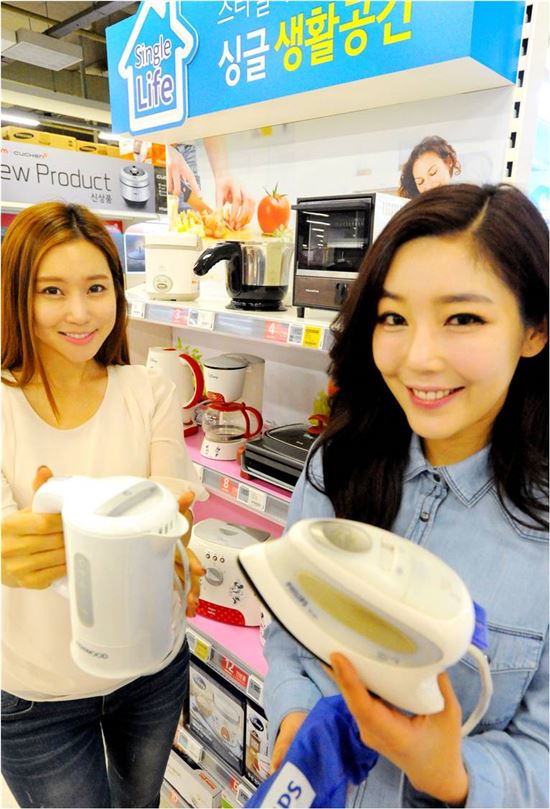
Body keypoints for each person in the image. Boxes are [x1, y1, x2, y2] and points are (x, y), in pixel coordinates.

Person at [263, 183, 548, 807]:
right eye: (393, 318)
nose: (418, 359)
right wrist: (294, 713)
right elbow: (287, 626)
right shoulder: (337, 464)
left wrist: (450, 773)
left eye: (463, 319)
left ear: (534, 330)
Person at [1, 201, 208, 808]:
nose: (79, 312)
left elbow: (175, 505)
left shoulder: (149, 391)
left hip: (151, 669)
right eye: (52, 290)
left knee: (141, 801)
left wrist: (177, 539)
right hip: (36, 694)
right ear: (16, 296)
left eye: (96, 288)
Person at [166, 136, 255, 229]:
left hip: (188, 150)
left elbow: (209, 127)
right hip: (158, 154)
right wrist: (164, 150)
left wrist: (223, 174)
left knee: (189, 229)